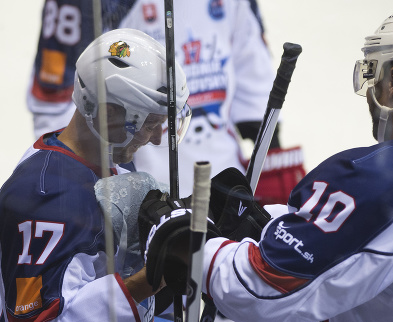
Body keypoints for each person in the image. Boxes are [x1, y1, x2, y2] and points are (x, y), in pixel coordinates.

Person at [139, 8, 393, 322]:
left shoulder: (383, 178)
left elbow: (263, 293)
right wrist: (271, 224)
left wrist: (190, 239)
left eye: (372, 73)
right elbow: (375, 245)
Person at [0, 28, 190, 322]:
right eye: (149, 125)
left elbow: (105, 278)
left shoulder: (107, 167)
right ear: (109, 113)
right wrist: (148, 281)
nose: (158, 139)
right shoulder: (46, 196)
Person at [27, 0, 306, 204]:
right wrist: (97, 196)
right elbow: (55, 107)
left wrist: (268, 163)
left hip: (223, 193)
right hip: (130, 203)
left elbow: (252, 87)